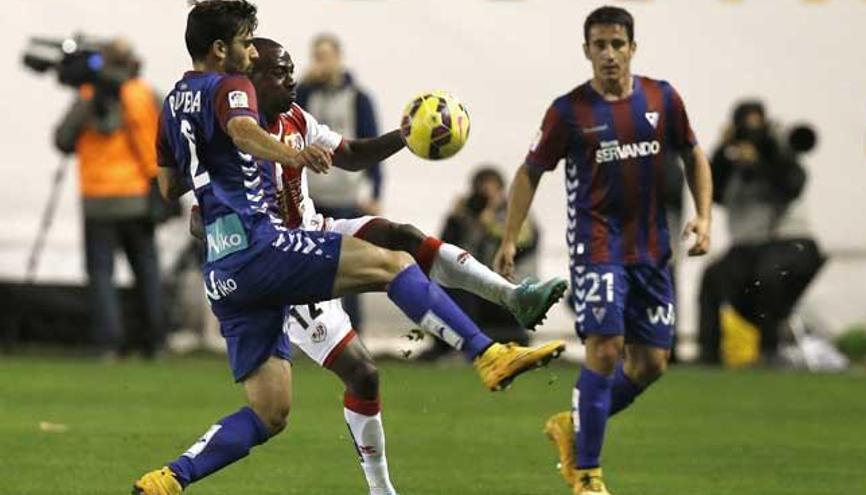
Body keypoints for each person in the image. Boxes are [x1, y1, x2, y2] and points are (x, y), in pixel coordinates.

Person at [132, 2, 567, 493]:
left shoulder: (173, 101)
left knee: (270, 412)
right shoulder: (232, 87)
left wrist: (215, 203)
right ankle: (486, 352)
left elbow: (169, 186)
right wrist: (291, 155)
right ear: (220, 49)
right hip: (264, 248)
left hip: (224, 271)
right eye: (246, 44)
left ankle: (169, 479)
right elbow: (243, 131)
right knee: (393, 265)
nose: (250, 54)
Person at [493, 7, 713, 495]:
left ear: (633, 47)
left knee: (651, 363)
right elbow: (530, 171)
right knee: (606, 348)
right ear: (586, 50)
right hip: (597, 247)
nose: (609, 54)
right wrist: (510, 236)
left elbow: (693, 153)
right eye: (599, 45)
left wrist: (704, 215)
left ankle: (573, 423)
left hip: (652, 250)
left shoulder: (663, 98)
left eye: (618, 44)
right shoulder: (569, 111)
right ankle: (587, 474)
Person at [53, 37, 165, 359]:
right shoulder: (144, 95)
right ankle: (155, 342)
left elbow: (63, 139)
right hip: (137, 196)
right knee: (147, 271)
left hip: (98, 200)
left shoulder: (88, 95)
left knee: (102, 275)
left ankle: (108, 343)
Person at [699, 100, 824, 364]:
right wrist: (724, 149)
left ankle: (770, 349)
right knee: (712, 278)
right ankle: (708, 355)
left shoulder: (777, 157)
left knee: (768, 274)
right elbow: (709, 189)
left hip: (784, 244)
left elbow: (791, 185)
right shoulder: (730, 165)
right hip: (748, 247)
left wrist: (761, 159)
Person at [295, 33, 384, 331]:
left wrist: (376, 191)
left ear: (338, 57)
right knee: (306, 269)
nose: (320, 62)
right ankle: (312, 333)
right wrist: (302, 85)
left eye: (325, 55)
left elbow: (369, 145)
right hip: (310, 195)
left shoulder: (359, 98)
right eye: (316, 55)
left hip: (346, 195)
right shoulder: (307, 94)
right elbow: (285, 119)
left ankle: (353, 330)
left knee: (350, 268)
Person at [418, 166, 542, 361]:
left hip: (508, 290)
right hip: (474, 291)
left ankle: (472, 346)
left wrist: (491, 223)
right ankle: (451, 345)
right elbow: (444, 250)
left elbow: (526, 244)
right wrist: (458, 220)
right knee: (450, 286)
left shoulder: (515, 215)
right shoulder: (465, 215)